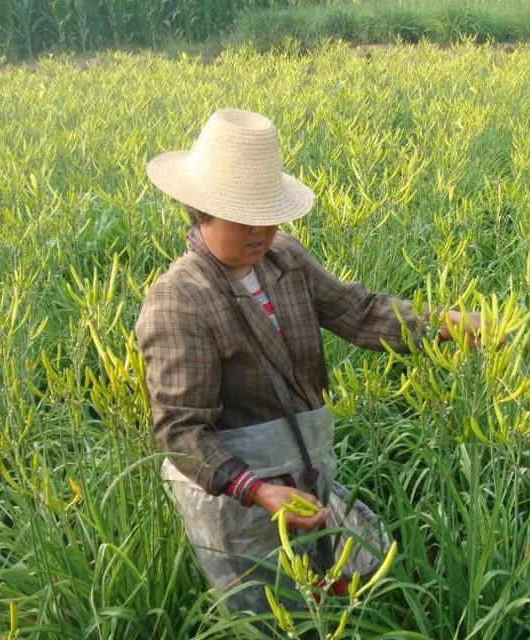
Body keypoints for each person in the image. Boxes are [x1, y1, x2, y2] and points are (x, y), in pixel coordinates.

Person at [135, 109, 479, 614]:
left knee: (361, 568)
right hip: (234, 495)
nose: (261, 231)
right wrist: (256, 490)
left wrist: (447, 323)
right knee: (275, 614)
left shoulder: (285, 260)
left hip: (306, 469)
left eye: (269, 214)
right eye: (243, 216)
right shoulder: (179, 299)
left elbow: (360, 314)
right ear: (200, 209)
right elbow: (181, 431)